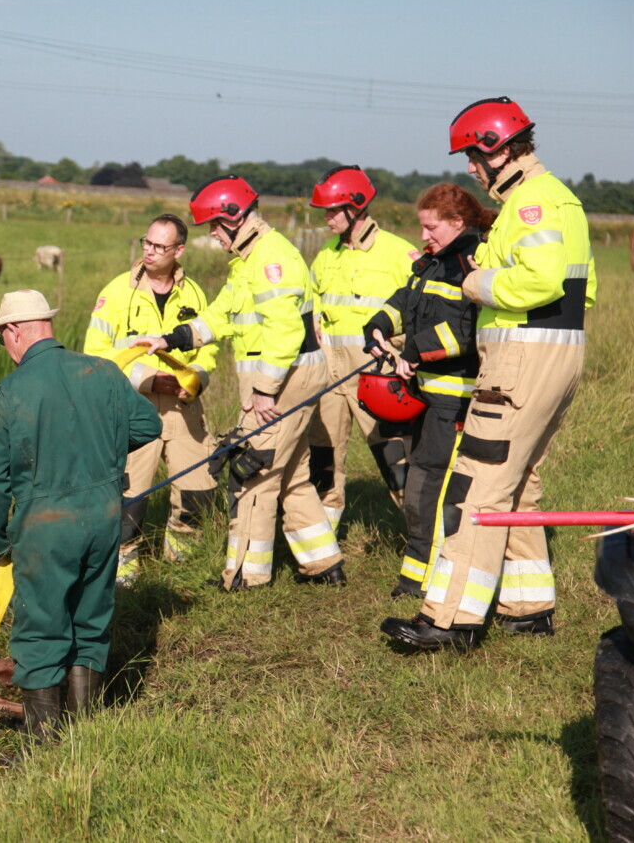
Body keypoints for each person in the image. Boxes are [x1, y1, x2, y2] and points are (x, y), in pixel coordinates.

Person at [381, 97, 597, 650]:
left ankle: (449, 621)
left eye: (473, 159)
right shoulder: (561, 199)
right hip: (555, 352)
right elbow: (585, 290)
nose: (472, 171)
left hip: (521, 357)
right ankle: (527, 607)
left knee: (475, 485)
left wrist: (476, 284)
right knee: (518, 483)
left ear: (497, 149)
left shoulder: (531, 203)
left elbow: (540, 281)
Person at [136, 176, 344, 591]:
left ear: (236, 217)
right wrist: (170, 339)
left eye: (216, 225)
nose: (212, 234)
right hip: (284, 377)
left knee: (253, 473)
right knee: (291, 474)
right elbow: (220, 316)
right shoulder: (248, 259)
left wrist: (265, 390)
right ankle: (323, 563)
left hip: (285, 379)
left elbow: (286, 332)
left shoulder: (271, 259)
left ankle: (247, 576)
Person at [0, 289, 161, 737]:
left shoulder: (9, 392)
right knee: (90, 619)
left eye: (1, 338)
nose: (4, 347)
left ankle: (45, 739)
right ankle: (85, 730)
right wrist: (99, 453)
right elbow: (148, 424)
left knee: (41, 628)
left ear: (14, 331)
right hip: (105, 517)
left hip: (44, 527)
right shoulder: (103, 371)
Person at [363, 183, 494, 599]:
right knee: (421, 484)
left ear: (457, 222)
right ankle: (418, 576)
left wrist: (414, 350)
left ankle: (429, 580)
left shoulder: (472, 265)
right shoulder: (434, 263)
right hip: (427, 395)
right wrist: (379, 325)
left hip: (455, 400)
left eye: (431, 227)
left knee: (432, 489)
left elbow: (466, 331)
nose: (423, 236)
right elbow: (407, 300)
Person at [83, 214, 219, 583]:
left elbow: (207, 346)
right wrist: (146, 379)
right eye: (147, 242)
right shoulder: (115, 292)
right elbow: (95, 352)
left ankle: (184, 569)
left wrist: (197, 379)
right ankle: (124, 580)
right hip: (132, 408)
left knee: (197, 492)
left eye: (160, 246)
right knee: (128, 500)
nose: (150, 251)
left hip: (184, 407)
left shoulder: (194, 293)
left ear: (179, 250)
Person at [306, 166, 420, 527]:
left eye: (331, 211)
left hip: (378, 376)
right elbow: (312, 302)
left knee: (398, 465)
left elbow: (421, 312)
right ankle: (322, 550)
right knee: (323, 467)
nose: (326, 218)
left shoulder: (399, 254)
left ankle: (429, 545)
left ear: (354, 207)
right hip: (329, 378)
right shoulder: (327, 253)